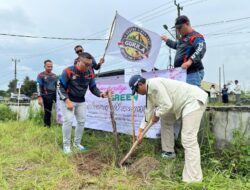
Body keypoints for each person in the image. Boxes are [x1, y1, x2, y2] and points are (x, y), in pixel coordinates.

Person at [129, 75, 208, 183]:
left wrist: (156, 114)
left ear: (140, 85)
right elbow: (148, 112)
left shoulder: (154, 84)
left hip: (193, 101)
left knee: (188, 139)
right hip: (182, 103)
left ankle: (194, 179)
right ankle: (168, 152)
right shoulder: (149, 93)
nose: (137, 93)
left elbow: (167, 105)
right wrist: (141, 131)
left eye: (136, 90)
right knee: (165, 119)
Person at [58, 52, 108, 154]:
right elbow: (60, 87)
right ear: (79, 61)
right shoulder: (68, 71)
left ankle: (77, 144)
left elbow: (93, 88)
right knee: (68, 121)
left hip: (81, 100)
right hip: (68, 99)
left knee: (81, 121)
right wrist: (67, 101)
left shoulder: (90, 72)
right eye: (86, 64)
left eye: (90, 64)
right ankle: (66, 146)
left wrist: (102, 94)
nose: (88, 66)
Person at [161, 15, 206, 87]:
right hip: (182, 73)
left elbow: (201, 48)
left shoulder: (196, 36)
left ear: (187, 24)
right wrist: (167, 40)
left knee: (191, 96)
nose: (178, 30)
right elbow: (177, 45)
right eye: (177, 28)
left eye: (180, 28)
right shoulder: (183, 39)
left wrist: (189, 61)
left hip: (192, 73)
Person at [37, 60, 57, 128]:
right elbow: (38, 86)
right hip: (46, 95)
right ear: (44, 66)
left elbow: (57, 86)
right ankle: (47, 126)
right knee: (48, 112)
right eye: (48, 66)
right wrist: (39, 97)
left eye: (51, 66)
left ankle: (60, 124)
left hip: (55, 94)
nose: (50, 68)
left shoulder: (54, 75)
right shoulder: (40, 75)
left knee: (61, 109)